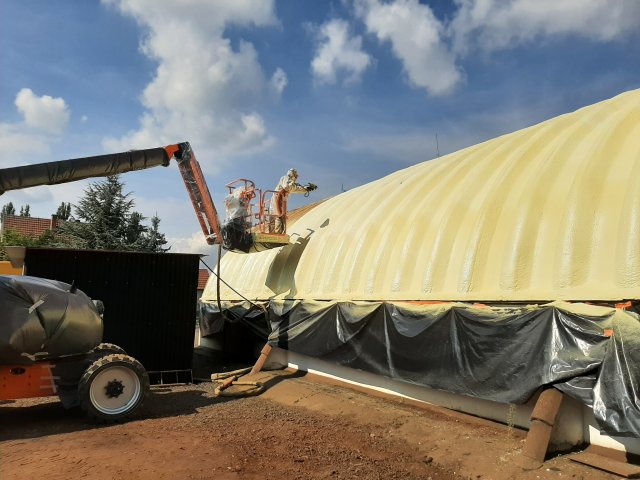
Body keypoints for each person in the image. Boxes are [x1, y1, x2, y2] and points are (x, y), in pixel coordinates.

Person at [270, 168, 316, 234]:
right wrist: (296, 186)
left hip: (280, 200)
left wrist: (306, 189)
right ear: (293, 174)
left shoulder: (290, 183)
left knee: (276, 216)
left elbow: (296, 189)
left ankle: (275, 234)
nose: (296, 177)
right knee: (278, 216)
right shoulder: (285, 178)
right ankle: (277, 234)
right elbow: (287, 187)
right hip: (278, 199)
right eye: (295, 175)